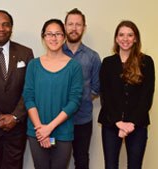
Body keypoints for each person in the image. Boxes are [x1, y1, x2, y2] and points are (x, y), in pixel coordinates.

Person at [23, 19, 83, 169]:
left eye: (58, 34)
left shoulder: (74, 67)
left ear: (64, 37)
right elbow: (28, 97)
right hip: (37, 132)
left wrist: (49, 128)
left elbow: (74, 102)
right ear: (43, 37)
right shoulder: (33, 65)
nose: (53, 38)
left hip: (62, 133)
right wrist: (40, 129)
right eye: (49, 34)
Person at [0, 10, 34, 169]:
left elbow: (29, 88)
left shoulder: (26, 52)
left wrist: (16, 116)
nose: (1, 28)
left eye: (5, 24)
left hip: (17, 126)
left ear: (11, 27)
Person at [98, 20, 155, 169]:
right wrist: (118, 122)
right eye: (121, 35)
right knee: (110, 165)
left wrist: (131, 123)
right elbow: (105, 95)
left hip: (137, 124)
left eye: (130, 35)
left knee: (135, 166)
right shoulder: (108, 62)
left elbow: (147, 96)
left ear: (135, 38)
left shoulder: (146, 62)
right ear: (116, 38)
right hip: (111, 123)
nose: (125, 39)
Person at [63, 8, 101, 169]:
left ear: (84, 28)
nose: (74, 28)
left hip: (82, 119)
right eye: (70, 24)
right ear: (64, 26)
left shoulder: (92, 56)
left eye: (78, 24)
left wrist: (80, 99)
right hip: (57, 120)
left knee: (82, 159)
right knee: (57, 159)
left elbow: (96, 87)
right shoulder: (55, 52)